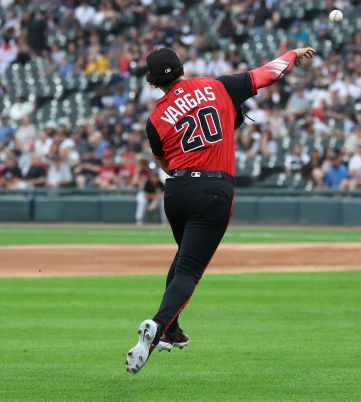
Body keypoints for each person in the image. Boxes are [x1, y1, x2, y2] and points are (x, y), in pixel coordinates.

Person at [126, 46, 316, 374]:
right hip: (213, 190)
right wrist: (292, 54)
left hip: (177, 191)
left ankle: (171, 328)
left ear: (155, 82)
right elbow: (266, 74)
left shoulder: (155, 118)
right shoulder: (216, 86)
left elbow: (163, 162)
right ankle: (156, 327)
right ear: (182, 66)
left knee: (184, 257)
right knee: (189, 271)